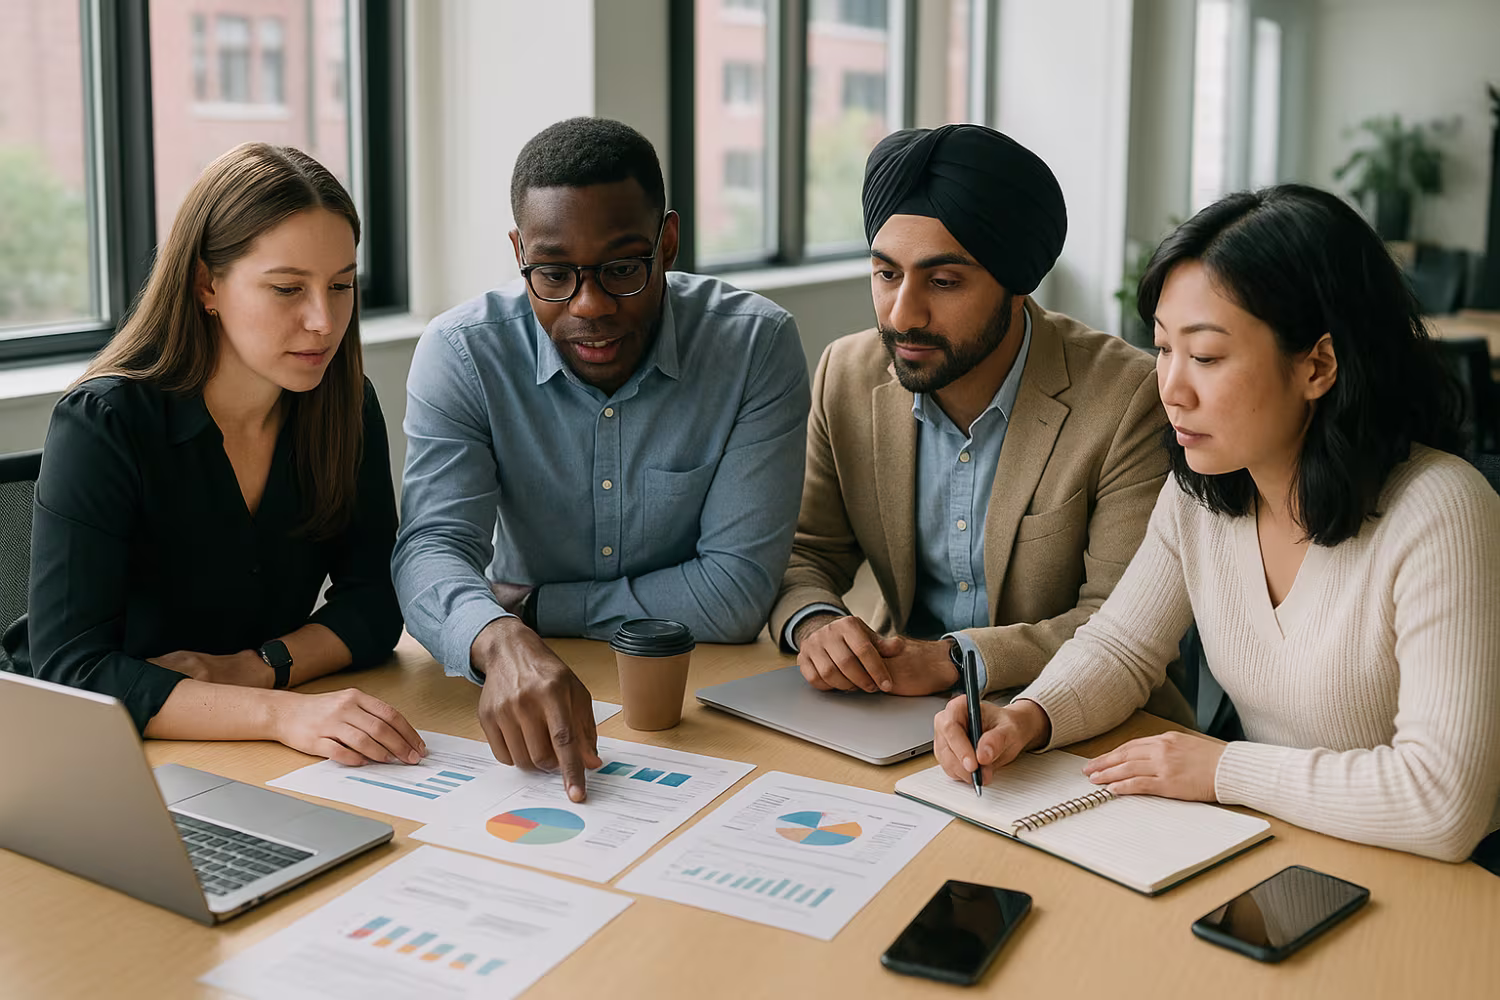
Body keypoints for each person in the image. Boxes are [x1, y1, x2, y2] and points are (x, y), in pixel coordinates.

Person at [933, 183, 1500, 865]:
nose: (1169, 386)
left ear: (1318, 364)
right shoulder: (1202, 491)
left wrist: (1223, 770)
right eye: (1164, 349)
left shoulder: (1443, 511)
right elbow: (1121, 648)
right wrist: (1027, 717)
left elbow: (1442, 804)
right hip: (1281, 848)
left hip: (1439, 886)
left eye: (1204, 356)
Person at [393, 117, 810, 802]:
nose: (589, 305)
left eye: (621, 268)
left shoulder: (754, 348)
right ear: (519, 251)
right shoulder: (462, 352)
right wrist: (500, 640)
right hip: (519, 683)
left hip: (695, 698)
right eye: (554, 273)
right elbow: (430, 549)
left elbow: (735, 593)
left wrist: (531, 610)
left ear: (666, 243)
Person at [0, 142, 420, 767]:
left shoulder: (344, 405)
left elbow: (377, 604)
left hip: (235, 749)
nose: (324, 321)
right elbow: (75, 673)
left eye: (340, 285)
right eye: (287, 289)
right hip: (87, 758)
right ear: (206, 285)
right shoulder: (104, 425)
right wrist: (281, 712)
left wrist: (254, 669)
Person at [768, 123, 1190, 724]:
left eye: (943, 282)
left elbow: (1120, 618)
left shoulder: (1127, 397)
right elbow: (805, 550)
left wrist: (955, 660)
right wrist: (818, 622)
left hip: (1086, 721)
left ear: (1018, 286)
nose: (902, 314)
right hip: (896, 705)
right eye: (887, 274)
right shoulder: (847, 373)